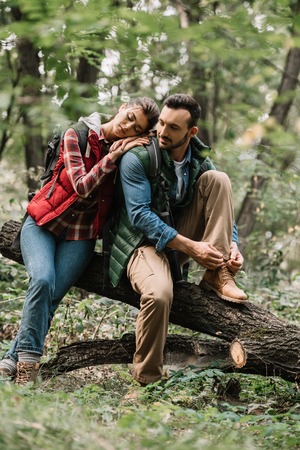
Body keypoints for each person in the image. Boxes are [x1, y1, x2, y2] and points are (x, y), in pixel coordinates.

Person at [0, 97, 160, 385]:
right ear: (123, 107)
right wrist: (111, 158)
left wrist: (140, 145)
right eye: (130, 116)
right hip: (43, 223)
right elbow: (81, 186)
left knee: (49, 299)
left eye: (136, 127)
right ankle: (28, 367)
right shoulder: (78, 133)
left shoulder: (128, 153)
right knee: (43, 281)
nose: (127, 126)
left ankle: (11, 359)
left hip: (81, 235)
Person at [109, 93, 247, 387]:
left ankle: (218, 273)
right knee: (159, 295)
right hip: (141, 244)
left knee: (219, 179)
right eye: (161, 123)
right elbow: (139, 216)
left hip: (177, 242)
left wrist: (232, 245)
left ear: (191, 132)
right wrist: (192, 247)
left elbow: (222, 212)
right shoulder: (139, 156)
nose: (162, 131)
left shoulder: (199, 160)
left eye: (173, 127)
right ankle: (146, 382)